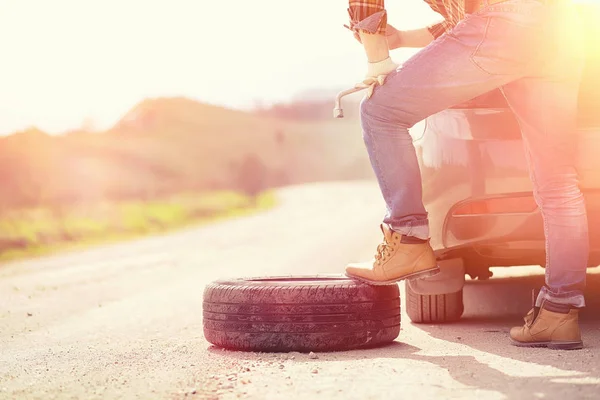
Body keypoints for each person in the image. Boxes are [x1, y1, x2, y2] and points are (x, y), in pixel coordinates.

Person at [343, 0, 589, 350]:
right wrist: (399, 39)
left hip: (507, 21)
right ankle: (558, 314)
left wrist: (377, 57)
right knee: (558, 183)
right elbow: (465, 27)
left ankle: (408, 239)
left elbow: (487, 28)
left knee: (381, 111)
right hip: (561, 30)